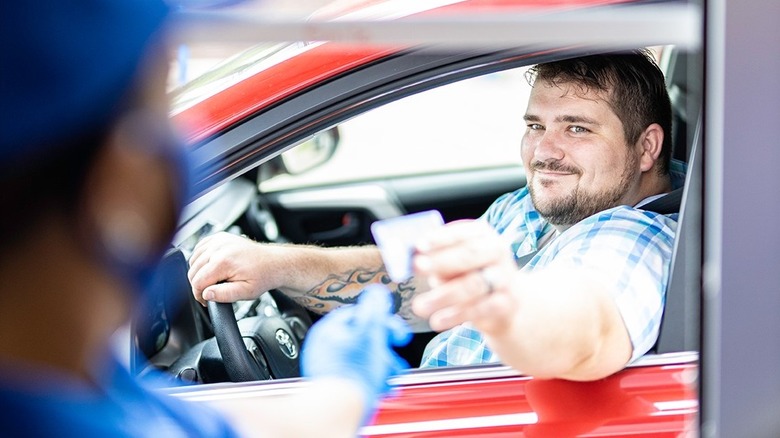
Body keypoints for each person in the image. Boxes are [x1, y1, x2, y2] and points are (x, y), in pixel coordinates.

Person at [0, 1, 409, 437]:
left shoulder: (81, 381)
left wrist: (341, 391)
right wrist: (344, 385)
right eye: (164, 113)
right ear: (122, 187)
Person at [189, 50, 685, 381]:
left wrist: (506, 304)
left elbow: (587, 332)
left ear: (647, 147)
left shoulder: (637, 237)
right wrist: (274, 265)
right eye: (536, 125)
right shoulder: (539, 206)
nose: (543, 152)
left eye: (577, 129)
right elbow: (418, 280)